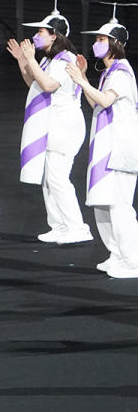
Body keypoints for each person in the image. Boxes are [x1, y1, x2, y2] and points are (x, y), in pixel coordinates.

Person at [6, 5, 92, 243]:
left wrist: (30, 59)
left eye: (41, 32)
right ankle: (58, 225)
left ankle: (77, 227)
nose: (36, 36)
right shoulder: (48, 60)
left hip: (66, 125)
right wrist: (23, 61)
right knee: (49, 178)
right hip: (52, 123)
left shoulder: (67, 60)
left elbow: (49, 86)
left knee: (57, 177)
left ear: (54, 35)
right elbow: (33, 84)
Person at [65, 18, 138, 277]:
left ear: (116, 44)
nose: (96, 43)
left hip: (119, 149)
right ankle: (116, 253)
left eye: (101, 39)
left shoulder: (121, 72)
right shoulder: (109, 72)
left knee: (119, 206)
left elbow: (106, 100)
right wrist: (83, 78)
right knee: (102, 203)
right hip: (106, 147)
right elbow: (96, 103)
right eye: (96, 39)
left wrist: (82, 81)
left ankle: (133, 260)